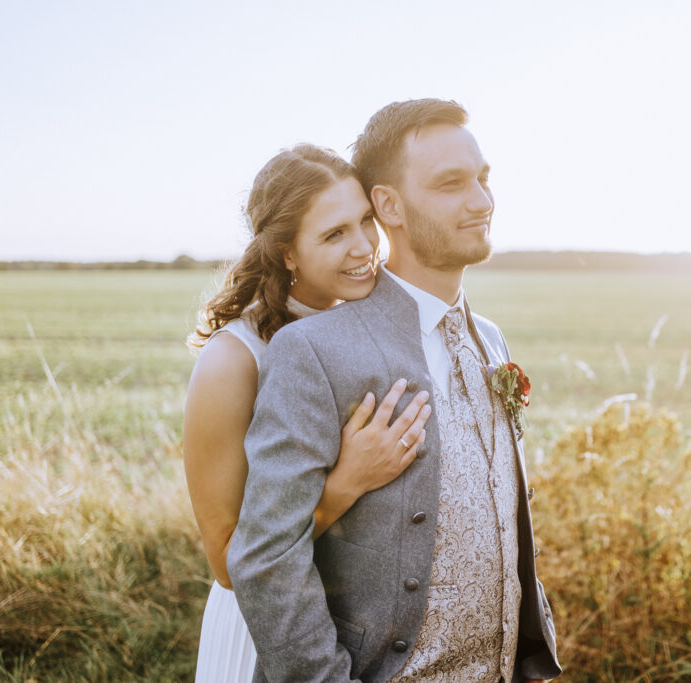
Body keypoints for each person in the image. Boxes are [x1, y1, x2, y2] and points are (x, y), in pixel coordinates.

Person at [227, 99, 561, 682]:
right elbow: (265, 558)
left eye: (482, 180)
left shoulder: (492, 340)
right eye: (451, 184)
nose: (481, 202)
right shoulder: (314, 350)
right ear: (388, 205)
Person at [184, 144, 432, 682]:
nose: (365, 246)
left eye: (366, 220)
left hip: (346, 627)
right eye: (334, 234)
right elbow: (229, 563)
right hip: (266, 634)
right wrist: (347, 483)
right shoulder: (234, 360)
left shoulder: (372, 333)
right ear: (286, 252)